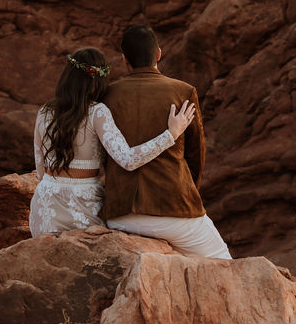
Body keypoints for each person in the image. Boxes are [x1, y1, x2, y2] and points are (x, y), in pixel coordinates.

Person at [29, 46, 195, 237]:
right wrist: (171, 135)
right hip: (84, 204)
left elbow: (40, 170)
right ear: (99, 80)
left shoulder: (44, 112)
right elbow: (128, 159)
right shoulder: (97, 112)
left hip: (46, 201)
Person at [103, 25, 231, 259]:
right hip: (174, 208)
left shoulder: (107, 95)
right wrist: (186, 195)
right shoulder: (183, 91)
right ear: (159, 54)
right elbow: (195, 155)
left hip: (120, 214)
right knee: (222, 262)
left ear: (124, 60)